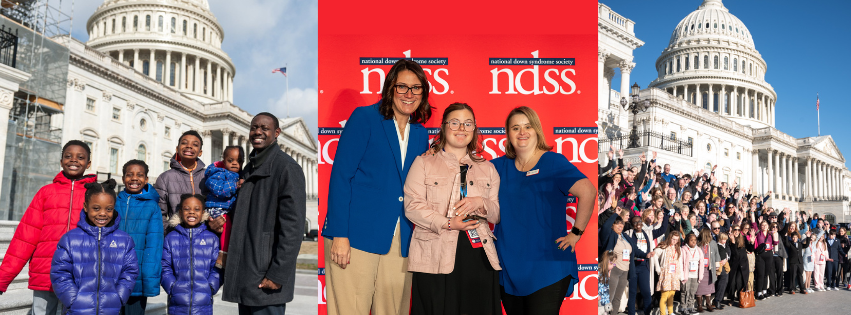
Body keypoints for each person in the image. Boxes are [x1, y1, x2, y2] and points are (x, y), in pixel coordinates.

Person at [323, 59, 431, 315]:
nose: (409, 94)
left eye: (416, 88)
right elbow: (341, 176)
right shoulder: (365, 118)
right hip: (354, 236)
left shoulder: (420, 134)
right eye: (402, 87)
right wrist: (340, 234)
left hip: (401, 239)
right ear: (390, 88)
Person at [491, 106, 595, 315]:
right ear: (508, 133)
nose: (522, 132)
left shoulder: (553, 162)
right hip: (509, 267)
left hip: (548, 266)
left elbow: (589, 191)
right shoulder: (497, 167)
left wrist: (576, 233)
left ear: (536, 129)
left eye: (527, 126)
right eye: (515, 127)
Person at [403, 103, 501, 314]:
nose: (461, 128)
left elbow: (497, 214)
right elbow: (412, 206)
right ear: (444, 126)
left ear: (474, 128)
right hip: (435, 256)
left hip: (478, 257)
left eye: (468, 123)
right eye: (455, 122)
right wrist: (448, 223)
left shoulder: (488, 168)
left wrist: (481, 203)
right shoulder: (423, 163)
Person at [222, 112, 306, 314]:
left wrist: (278, 273)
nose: (257, 132)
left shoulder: (287, 167)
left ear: (276, 133)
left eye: (264, 128)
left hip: (266, 274)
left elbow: (293, 228)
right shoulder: (249, 168)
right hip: (247, 272)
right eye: (253, 127)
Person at [0, 141, 97, 314]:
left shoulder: (96, 195)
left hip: (81, 274)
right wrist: (2, 279)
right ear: (61, 161)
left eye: (80, 157)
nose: (73, 160)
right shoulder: (45, 192)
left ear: (88, 163)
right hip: (46, 272)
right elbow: (24, 238)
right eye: (68, 156)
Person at [50, 179, 140, 314]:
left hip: (111, 309)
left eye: (108, 209)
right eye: (96, 208)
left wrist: (119, 297)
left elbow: (130, 272)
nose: (103, 213)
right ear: (86, 207)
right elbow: (60, 273)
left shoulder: (124, 240)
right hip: (77, 310)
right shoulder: (70, 239)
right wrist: (73, 300)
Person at [117, 160, 164, 314]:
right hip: (113, 275)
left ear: (146, 180)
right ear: (123, 178)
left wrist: (148, 278)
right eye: (129, 175)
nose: (134, 178)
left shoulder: (151, 206)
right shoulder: (115, 202)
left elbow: (154, 245)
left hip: (137, 277)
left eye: (139, 175)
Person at [162, 194, 221, 315]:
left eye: (196, 209)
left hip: (203, 303)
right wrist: (172, 287)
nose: (192, 212)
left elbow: (218, 266)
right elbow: (164, 266)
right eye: (187, 209)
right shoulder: (171, 238)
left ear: (203, 212)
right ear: (180, 212)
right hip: (177, 304)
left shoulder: (212, 239)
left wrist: (210, 287)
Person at [155, 130, 208, 231]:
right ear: (177, 149)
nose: (189, 146)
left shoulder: (208, 176)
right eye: (184, 143)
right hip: (176, 237)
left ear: (200, 152)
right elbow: (158, 214)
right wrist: (171, 234)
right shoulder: (165, 178)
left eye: (195, 144)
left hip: (204, 236)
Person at [203, 145, 244, 268]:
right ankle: (222, 255)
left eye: (239, 161)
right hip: (216, 207)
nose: (235, 164)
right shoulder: (218, 173)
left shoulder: (237, 174)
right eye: (230, 161)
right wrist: (235, 185)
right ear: (223, 160)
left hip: (225, 208)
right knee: (227, 227)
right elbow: (219, 189)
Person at [600, 213, 630, 315]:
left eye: (622, 224)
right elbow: (604, 227)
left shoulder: (624, 236)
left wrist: (646, 254)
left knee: (617, 298)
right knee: (609, 297)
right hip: (613, 270)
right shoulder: (610, 235)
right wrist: (615, 213)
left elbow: (634, 250)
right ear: (612, 225)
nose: (620, 226)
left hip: (625, 271)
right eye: (617, 224)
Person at [656, 231, 684, 315]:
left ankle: (671, 312)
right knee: (664, 295)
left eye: (677, 240)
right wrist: (658, 269)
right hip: (666, 273)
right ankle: (662, 313)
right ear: (670, 238)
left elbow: (680, 262)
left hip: (675, 273)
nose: (675, 241)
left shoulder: (678, 248)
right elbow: (654, 255)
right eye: (673, 239)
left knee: (672, 294)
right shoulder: (663, 247)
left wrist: (681, 275)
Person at [694, 229, 717, 312]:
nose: (711, 236)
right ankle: (699, 305)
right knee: (699, 288)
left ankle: (708, 304)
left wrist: (717, 268)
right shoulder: (698, 244)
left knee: (709, 287)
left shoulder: (712, 243)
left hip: (709, 269)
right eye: (709, 234)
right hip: (700, 269)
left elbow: (716, 254)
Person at [680, 233, 703, 315]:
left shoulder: (698, 250)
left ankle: (690, 307)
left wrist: (701, 274)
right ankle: (683, 308)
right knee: (685, 292)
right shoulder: (683, 249)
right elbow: (681, 263)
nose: (693, 242)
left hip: (695, 274)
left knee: (692, 292)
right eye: (691, 240)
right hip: (687, 274)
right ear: (687, 241)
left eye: (695, 240)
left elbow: (701, 262)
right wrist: (682, 275)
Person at [782, 230, 810, 294]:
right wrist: (786, 236)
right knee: (793, 275)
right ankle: (792, 289)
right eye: (793, 237)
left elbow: (806, 245)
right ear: (791, 238)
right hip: (793, 262)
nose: (795, 239)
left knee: (800, 275)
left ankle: (802, 289)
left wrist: (808, 237)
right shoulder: (790, 244)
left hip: (800, 262)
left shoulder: (800, 244)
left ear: (798, 238)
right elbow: (786, 244)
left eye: (796, 237)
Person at [599, 250, 617, 315]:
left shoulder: (607, 272)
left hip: (605, 300)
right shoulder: (599, 272)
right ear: (607, 262)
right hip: (600, 300)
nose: (614, 265)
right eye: (612, 263)